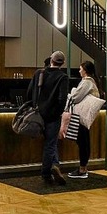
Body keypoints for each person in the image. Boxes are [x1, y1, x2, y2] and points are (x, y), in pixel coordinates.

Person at [28, 50, 69, 185]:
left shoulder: (39, 73)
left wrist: (34, 106)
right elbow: (62, 98)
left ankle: (53, 166)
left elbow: (29, 92)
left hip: (38, 114)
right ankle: (47, 172)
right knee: (50, 144)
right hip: (52, 116)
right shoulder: (62, 77)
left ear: (50, 60)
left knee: (50, 144)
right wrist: (58, 112)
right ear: (62, 63)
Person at [65, 61, 102, 179]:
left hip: (81, 116)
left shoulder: (87, 82)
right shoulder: (92, 81)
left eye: (81, 69)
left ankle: (82, 169)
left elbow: (75, 98)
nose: (79, 71)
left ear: (85, 70)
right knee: (84, 141)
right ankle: (83, 168)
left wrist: (71, 93)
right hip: (85, 116)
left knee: (82, 142)